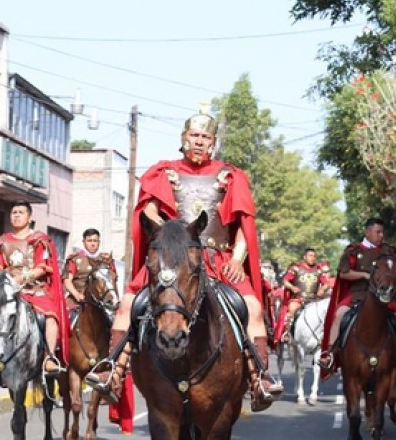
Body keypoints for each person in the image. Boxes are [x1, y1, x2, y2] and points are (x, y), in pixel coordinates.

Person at [84, 112, 283, 411]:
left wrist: (238, 259)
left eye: (205, 138)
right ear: (183, 138)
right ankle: (112, 370)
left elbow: (244, 226)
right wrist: (167, 233)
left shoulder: (231, 176)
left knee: (253, 308)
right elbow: (148, 211)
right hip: (175, 257)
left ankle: (260, 378)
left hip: (218, 258)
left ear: (213, 142)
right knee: (127, 304)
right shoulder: (164, 173)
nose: (199, 142)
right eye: (194, 136)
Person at [318, 217, 396, 374]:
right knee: (339, 315)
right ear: (367, 232)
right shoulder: (354, 250)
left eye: (382, 232)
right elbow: (344, 274)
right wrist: (364, 275)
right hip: (359, 294)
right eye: (377, 232)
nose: (381, 235)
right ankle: (330, 354)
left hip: (384, 296)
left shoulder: (389, 251)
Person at [0, 203, 70, 374]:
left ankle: (49, 356)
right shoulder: (1, 241)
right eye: (13, 212)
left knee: (49, 317)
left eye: (21, 212)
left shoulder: (39, 240)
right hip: (7, 288)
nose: (16, 215)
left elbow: (42, 267)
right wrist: (3, 279)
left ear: (30, 217)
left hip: (34, 288)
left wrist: (22, 278)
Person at [279, 248, 326, 345]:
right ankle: (287, 332)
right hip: (298, 299)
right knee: (292, 309)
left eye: (314, 256)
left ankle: (324, 336)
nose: (312, 258)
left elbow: (327, 283)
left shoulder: (319, 270)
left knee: (324, 313)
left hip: (314, 300)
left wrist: (322, 289)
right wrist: (292, 287)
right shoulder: (296, 269)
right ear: (304, 257)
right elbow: (285, 280)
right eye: (310, 256)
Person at [63, 228, 115, 311]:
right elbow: (67, 281)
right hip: (77, 300)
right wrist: (76, 294)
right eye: (89, 241)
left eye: (95, 241)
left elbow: (113, 281)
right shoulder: (75, 259)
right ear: (84, 242)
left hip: (103, 300)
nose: (92, 244)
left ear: (99, 242)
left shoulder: (106, 260)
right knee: (65, 318)